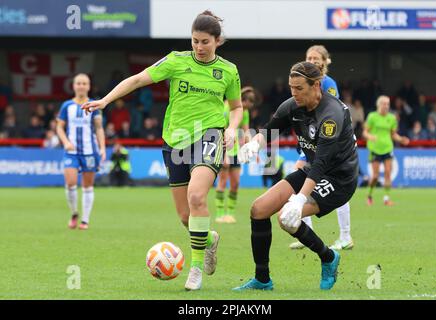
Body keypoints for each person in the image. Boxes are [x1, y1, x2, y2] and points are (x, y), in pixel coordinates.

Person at [81, 11, 243, 291]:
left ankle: (194, 270)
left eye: (205, 42)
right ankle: (209, 238)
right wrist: (105, 101)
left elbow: (237, 107)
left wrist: (231, 129)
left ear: (217, 41)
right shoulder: (176, 61)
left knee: (196, 196)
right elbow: (136, 80)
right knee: (185, 217)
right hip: (175, 140)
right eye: (195, 41)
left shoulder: (228, 70)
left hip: (210, 136)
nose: (199, 47)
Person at [233, 61, 359, 291]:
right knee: (259, 209)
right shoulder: (292, 105)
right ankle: (262, 279)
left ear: (317, 85)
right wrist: (255, 144)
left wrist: (300, 199)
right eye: (291, 87)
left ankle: (328, 257)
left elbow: (321, 162)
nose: (294, 93)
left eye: (299, 88)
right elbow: (271, 128)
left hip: (339, 179)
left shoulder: (332, 115)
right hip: (314, 170)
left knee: (285, 218)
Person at [289, 45, 353, 251]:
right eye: (309, 57)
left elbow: (330, 111)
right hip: (311, 139)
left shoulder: (328, 84)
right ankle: (303, 232)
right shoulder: (302, 83)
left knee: (336, 186)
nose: (313, 60)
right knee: (298, 180)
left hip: (327, 141)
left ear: (325, 62)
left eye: (316, 58)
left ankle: (345, 235)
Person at [56, 73, 106, 230]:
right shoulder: (66, 106)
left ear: (89, 86)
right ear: (74, 86)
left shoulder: (94, 105)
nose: (81, 86)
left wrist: (102, 147)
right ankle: (74, 213)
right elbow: (59, 127)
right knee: (70, 183)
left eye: (84, 83)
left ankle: (85, 220)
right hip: (71, 151)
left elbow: (98, 128)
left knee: (87, 186)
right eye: (79, 83)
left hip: (90, 151)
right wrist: (65, 142)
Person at [215, 86, 255, 224]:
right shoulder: (227, 108)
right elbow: (221, 130)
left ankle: (230, 214)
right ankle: (220, 214)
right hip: (223, 148)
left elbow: (245, 131)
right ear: (242, 100)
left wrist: (250, 148)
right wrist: (224, 154)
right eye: (246, 105)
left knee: (235, 183)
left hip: (235, 151)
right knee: (222, 181)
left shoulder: (244, 111)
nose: (246, 109)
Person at [363, 95, 409, 206]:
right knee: (375, 176)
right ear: (378, 104)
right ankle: (369, 195)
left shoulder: (392, 118)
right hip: (375, 149)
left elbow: (393, 134)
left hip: (388, 148)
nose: (386, 106)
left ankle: (386, 199)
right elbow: (365, 132)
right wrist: (370, 137)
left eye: (388, 104)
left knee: (388, 173)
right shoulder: (372, 116)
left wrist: (401, 139)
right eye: (384, 103)